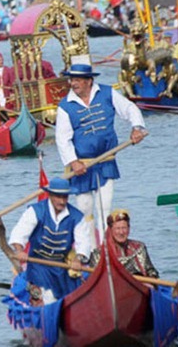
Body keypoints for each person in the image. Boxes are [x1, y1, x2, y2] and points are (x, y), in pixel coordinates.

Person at [55, 63, 147, 234]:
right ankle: (90, 251)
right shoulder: (65, 106)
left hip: (106, 161)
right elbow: (62, 139)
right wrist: (73, 162)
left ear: (89, 81)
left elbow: (129, 108)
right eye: (72, 80)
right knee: (84, 209)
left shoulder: (107, 93)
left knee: (104, 207)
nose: (73, 84)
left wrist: (136, 128)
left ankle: (106, 248)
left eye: (77, 80)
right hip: (81, 166)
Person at [8, 178, 92, 303]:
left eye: (65, 197)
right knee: (48, 297)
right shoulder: (35, 211)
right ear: (51, 195)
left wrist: (78, 259)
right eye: (58, 197)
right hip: (37, 263)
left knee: (71, 297)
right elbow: (19, 234)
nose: (62, 201)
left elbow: (84, 242)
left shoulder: (77, 217)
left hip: (61, 265)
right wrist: (20, 251)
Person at [88, 209, 159, 278]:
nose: (121, 232)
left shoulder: (139, 248)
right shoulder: (98, 254)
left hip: (138, 285)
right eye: (118, 228)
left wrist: (152, 278)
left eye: (124, 228)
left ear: (129, 228)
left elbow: (150, 270)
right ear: (110, 230)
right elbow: (93, 278)